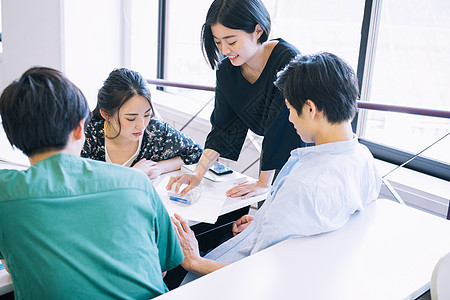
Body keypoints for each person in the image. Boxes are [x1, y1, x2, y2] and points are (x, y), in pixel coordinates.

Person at [171, 52, 382, 284]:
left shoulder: (303, 187)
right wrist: (265, 221)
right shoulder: (364, 159)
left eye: (290, 108)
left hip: (228, 282)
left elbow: (259, 276)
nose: (290, 118)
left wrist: (194, 261)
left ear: (310, 109)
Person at [0, 67, 183, 299]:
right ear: (80, 128)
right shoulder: (136, 182)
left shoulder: (5, 193)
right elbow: (163, 267)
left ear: (12, 136)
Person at [167, 0, 308, 199]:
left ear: (258, 30)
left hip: (301, 157)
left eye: (231, 41)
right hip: (270, 161)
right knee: (263, 212)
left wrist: (262, 183)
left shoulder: (287, 60)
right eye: (218, 42)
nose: (225, 50)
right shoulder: (227, 71)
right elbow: (222, 129)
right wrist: (197, 173)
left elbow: (281, 128)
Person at [82, 68, 203, 180]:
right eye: (131, 119)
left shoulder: (156, 131)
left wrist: (160, 167)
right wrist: (132, 174)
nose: (141, 126)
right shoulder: (88, 136)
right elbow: (78, 182)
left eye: (146, 115)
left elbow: (198, 153)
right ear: (106, 114)